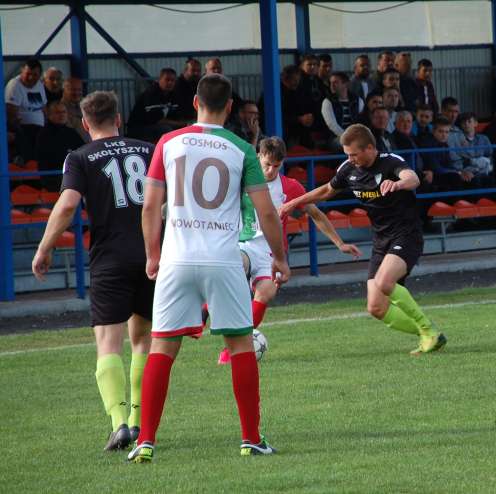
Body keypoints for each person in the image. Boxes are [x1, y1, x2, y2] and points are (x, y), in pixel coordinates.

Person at [129, 73, 290, 462]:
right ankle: (250, 439)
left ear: (195, 102)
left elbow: (151, 206)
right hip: (223, 259)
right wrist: (279, 257)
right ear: (230, 107)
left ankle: (145, 441)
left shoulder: (168, 142)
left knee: (162, 348)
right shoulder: (240, 148)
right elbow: (266, 210)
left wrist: (153, 254)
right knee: (239, 346)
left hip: (176, 259)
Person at [31, 90, 155, 451]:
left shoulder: (79, 157)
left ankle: (118, 423)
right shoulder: (147, 150)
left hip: (110, 259)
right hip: (150, 256)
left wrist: (45, 247)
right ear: (118, 119)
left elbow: (68, 205)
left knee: (108, 343)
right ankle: (137, 421)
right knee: (143, 339)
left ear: (85, 124)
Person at [281, 124, 447, 355]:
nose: (350, 159)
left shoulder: (390, 162)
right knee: (376, 307)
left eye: (354, 154)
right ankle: (428, 334)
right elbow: (326, 191)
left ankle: (428, 330)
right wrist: (293, 203)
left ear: (370, 148)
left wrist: (397, 184)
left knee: (385, 282)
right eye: (347, 154)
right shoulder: (349, 169)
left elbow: (413, 178)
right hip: (381, 239)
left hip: (406, 234)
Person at [215, 137, 361, 364]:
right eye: (267, 164)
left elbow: (316, 214)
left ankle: (231, 350)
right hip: (243, 245)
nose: (271, 170)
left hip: (272, 253)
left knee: (267, 292)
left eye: (276, 165)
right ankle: (204, 310)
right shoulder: (242, 179)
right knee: (235, 266)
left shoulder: (290, 187)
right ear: (259, 157)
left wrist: (339, 243)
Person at [35, 100, 85, 191]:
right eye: (57, 112)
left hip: (71, 173)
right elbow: (49, 157)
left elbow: (83, 150)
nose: (61, 115)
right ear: (50, 115)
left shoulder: (71, 132)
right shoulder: (43, 134)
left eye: (63, 112)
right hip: (53, 176)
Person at [126, 68, 185, 143]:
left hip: (156, 127)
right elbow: (157, 120)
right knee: (166, 129)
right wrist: (181, 124)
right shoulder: (151, 94)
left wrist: (184, 124)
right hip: (139, 128)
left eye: (173, 80)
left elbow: (177, 114)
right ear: (159, 80)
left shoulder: (173, 94)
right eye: (167, 80)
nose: (170, 83)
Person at [5, 58, 46, 162]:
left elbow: (44, 107)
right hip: (23, 128)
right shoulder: (14, 85)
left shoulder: (39, 85)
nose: (31, 77)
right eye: (28, 74)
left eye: (35, 75)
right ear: (21, 71)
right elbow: (11, 114)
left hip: (39, 128)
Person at [322, 72, 363, 141]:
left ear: (346, 84)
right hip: (335, 137)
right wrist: (348, 137)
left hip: (355, 136)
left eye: (335, 82)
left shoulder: (357, 100)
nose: (332, 85)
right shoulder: (327, 102)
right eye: (331, 83)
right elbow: (332, 125)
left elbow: (362, 120)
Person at [61, 77, 88, 141]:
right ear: (64, 90)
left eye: (79, 90)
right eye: (73, 90)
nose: (76, 93)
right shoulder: (59, 109)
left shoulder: (87, 105)